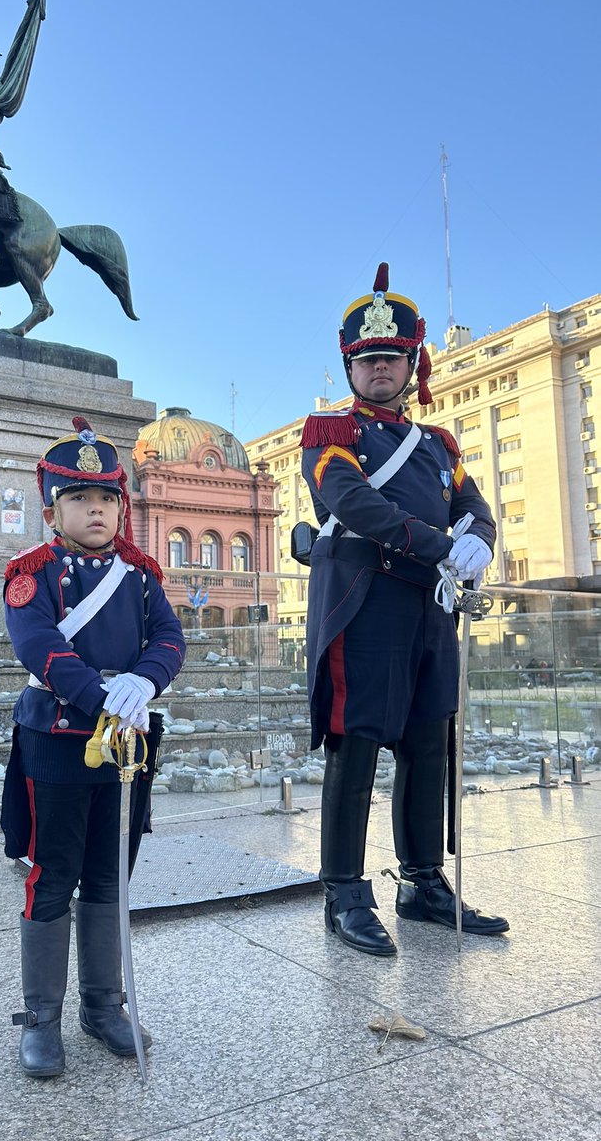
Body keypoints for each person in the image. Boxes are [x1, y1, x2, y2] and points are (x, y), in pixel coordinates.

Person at [300, 262, 509, 956]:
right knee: (354, 745)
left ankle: (422, 883)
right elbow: (353, 504)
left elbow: (475, 506)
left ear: (412, 361)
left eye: (391, 357)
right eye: (366, 359)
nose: (379, 369)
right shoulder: (329, 432)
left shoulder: (439, 446)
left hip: (430, 609)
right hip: (367, 605)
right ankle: (343, 892)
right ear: (349, 367)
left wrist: (478, 541)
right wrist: (444, 545)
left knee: (429, 746)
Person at [1, 415, 185, 1076]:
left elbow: (169, 638)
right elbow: (37, 644)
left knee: (111, 874)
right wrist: (99, 693)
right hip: (58, 737)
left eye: (107, 497)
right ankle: (41, 1019)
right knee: (53, 875)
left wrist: (144, 679)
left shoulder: (140, 574)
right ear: (54, 507)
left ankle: (103, 1006)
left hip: (126, 744)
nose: (97, 509)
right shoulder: (32, 571)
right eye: (81, 498)